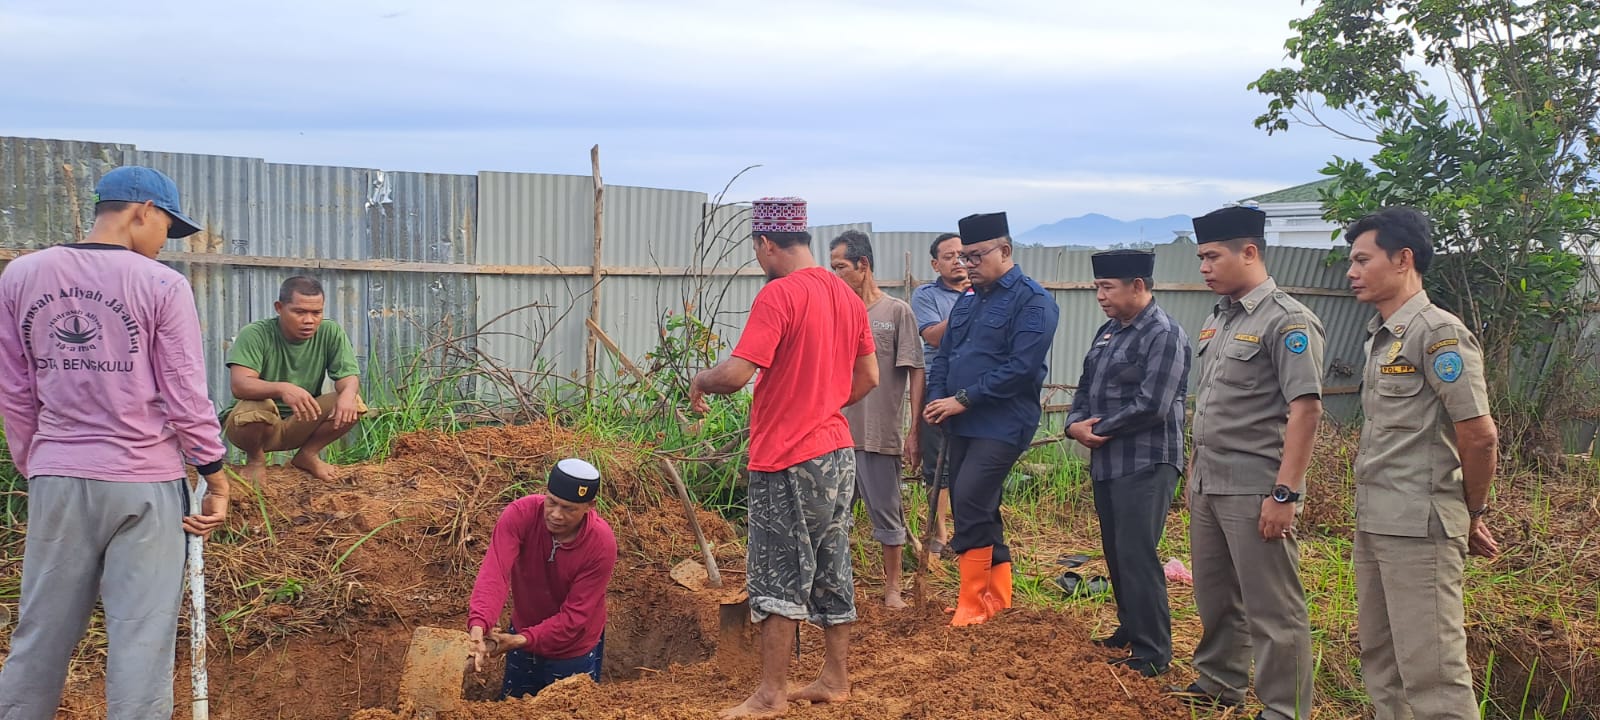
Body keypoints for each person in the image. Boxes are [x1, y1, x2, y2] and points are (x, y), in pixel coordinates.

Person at [0, 165, 231, 718]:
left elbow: (14, 387)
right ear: (143, 211)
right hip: (143, 483)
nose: (163, 244)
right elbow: (184, 391)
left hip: (57, 475)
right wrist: (214, 474)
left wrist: (40, 465)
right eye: (166, 230)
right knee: (141, 640)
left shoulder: (22, 275)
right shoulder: (158, 285)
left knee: (41, 632)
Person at [688, 197, 877, 719]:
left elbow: (736, 374)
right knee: (831, 564)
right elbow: (869, 379)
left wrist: (700, 380)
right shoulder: (846, 295)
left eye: (756, 249)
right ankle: (835, 679)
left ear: (767, 244)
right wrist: (821, 403)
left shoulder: (779, 295)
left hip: (788, 458)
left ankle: (771, 694)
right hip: (837, 454)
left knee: (778, 572)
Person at [1345, 207, 1499, 720]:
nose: (1352, 271)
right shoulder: (1382, 335)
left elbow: (1478, 437)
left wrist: (1471, 512)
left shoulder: (1438, 334)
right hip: (1377, 519)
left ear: (1403, 258)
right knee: (1382, 659)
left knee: (1432, 673)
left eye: (1363, 259)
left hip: (1420, 527)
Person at [1170, 206, 1322, 718]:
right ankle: (1219, 681)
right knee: (1214, 595)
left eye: (1212, 256)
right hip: (1209, 481)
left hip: (1256, 484)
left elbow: (1305, 409)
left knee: (1272, 606)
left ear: (1249, 252)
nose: (1204, 268)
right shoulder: (1221, 317)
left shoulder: (1288, 319)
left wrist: (1285, 493)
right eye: (1201, 258)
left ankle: (1285, 708)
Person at [923, 212, 1059, 627]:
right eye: (964, 257)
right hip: (960, 421)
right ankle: (995, 597)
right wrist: (937, 400)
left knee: (969, 498)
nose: (968, 264)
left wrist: (963, 399)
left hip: (1002, 422)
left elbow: (1021, 367)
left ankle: (971, 600)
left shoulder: (1033, 301)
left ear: (1005, 250)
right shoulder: (966, 301)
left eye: (977, 255)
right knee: (980, 504)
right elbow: (945, 356)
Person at [1065, 249, 1191, 677]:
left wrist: (1096, 428)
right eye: (1098, 287)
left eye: (1107, 287)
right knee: (1116, 553)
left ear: (1138, 286)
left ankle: (1154, 651)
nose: (1099, 295)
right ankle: (1131, 629)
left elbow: (1153, 405)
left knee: (1138, 554)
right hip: (1109, 460)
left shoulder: (1164, 333)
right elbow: (1085, 387)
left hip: (1147, 461)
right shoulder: (1108, 332)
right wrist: (1073, 425)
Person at [467, 459, 618, 699]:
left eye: (568, 508)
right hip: (524, 627)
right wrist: (478, 626)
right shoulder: (521, 515)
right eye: (551, 502)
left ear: (590, 505)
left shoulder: (601, 544)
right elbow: (495, 572)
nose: (556, 515)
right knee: (512, 706)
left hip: (573, 647)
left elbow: (575, 617)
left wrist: (518, 640)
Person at [829, 229, 924, 610]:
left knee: (887, 516)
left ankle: (893, 590)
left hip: (879, 433)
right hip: (835, 434)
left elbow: (916, 370)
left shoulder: (895, 312)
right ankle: (836, 588)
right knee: (832, 519)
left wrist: (914, 430)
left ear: (863, 265)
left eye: (840, 267)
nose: (835, 275)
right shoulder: (835, 312)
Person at [220, 275, 367, 483]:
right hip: (254, 427)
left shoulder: (330, 332)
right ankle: (255, 460)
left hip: (302, 421)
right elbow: (240, 384)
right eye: (299, 312)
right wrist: (282, 389)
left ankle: (307, 455)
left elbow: (348, 377)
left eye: (316, 313)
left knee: (353, 401)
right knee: (255, 405)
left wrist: (349, 394)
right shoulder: (255, 334)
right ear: (279, 307)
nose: (309, 320)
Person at [909, 232, 969, 554]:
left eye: (962, 254)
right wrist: (967, 309)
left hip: (973, 387)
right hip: (939, 384)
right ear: (935, 263)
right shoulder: (927, 295)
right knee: (938, 467)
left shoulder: (984, 292)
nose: (957, 261)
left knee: (968, 463)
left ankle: (967, 533)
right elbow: (933, 337)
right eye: (949, 256)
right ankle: (939, 533)